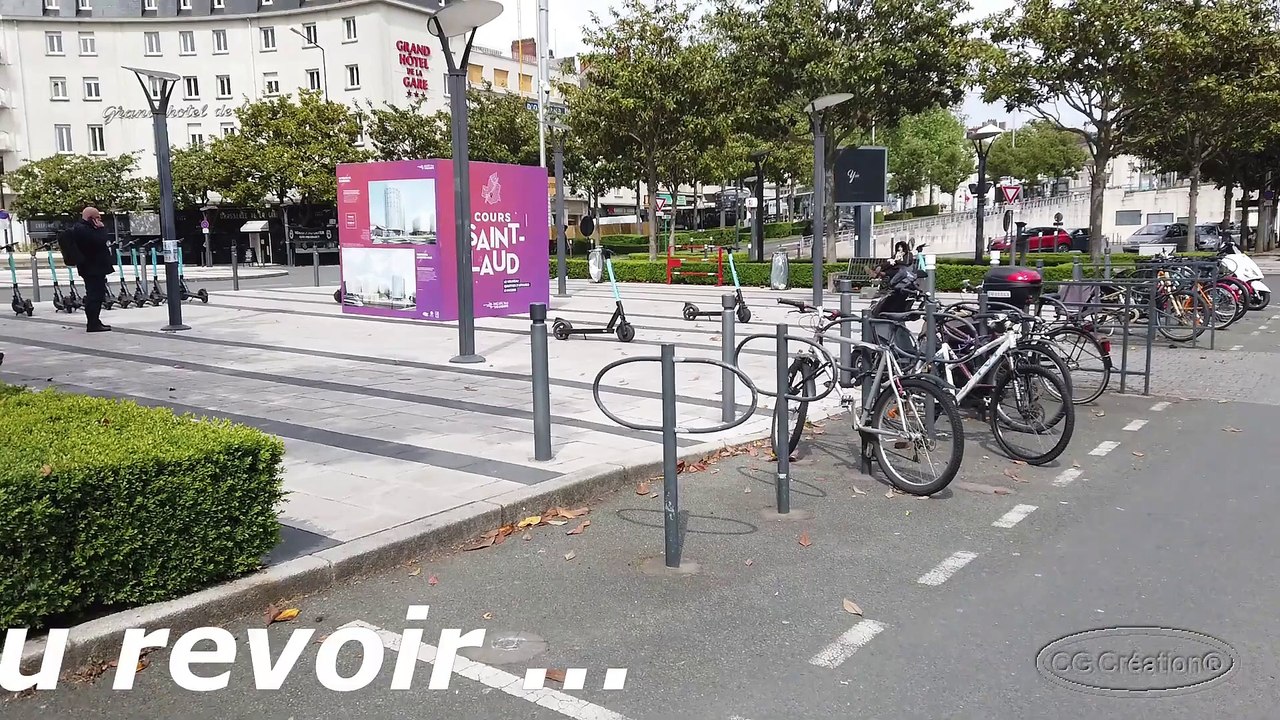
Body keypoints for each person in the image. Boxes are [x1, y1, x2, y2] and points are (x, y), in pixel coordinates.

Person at [67, 206, 115, 332]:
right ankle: (93, 323)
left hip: (93, 268)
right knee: (94, 295)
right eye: (97, 217)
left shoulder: (85, 228)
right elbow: (100, 240)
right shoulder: (83, 229)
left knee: (97, 294)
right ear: (91, 218)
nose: (100, 220)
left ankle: (95, 321)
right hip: (92, 268)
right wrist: (101, 229)